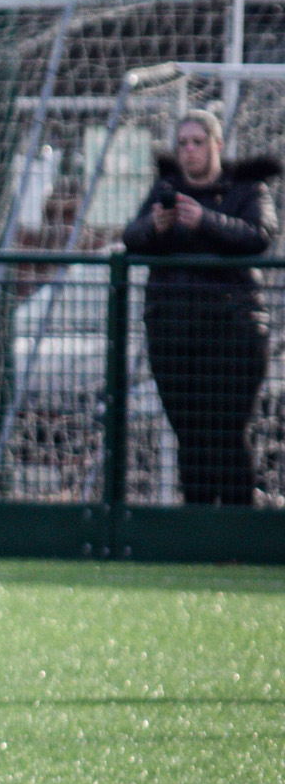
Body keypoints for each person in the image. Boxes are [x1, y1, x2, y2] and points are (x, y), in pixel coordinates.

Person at [122, 111, 279, 507]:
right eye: (182, 144)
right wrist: (156, 227)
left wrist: (204, 220)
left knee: (227, 432)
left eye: (197, 142)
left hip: (234, 331)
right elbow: (132, 236)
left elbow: (259, 236)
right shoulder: (165, 189)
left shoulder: (248, 189)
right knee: (190, 435)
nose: (189, 150)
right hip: (173, 332)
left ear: (217, 145)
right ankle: (195, 522)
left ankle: (237, 523)